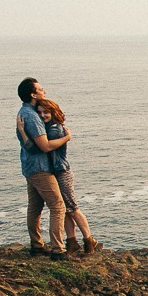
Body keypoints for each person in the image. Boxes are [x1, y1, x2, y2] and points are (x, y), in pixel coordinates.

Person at [33, 97, 100, 254]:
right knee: (65, 209)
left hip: (62, 172)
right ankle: (72, 242)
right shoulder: (49, 127)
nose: (43, 115)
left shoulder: (55, 130)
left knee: (73, 208)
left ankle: (89, 241)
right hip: (55, 172)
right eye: (40, 113)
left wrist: (24, 132)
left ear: (53, 112)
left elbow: (45, 147)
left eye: (46, 112)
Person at [15, 77, 70, 259]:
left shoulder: (25, 112)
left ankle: (37, 245)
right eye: (40, 89)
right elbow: (45, 146)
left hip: (29, 166)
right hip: (40, 168)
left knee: (35, 207)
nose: (44, 91)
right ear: (33, 94)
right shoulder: (32, 116)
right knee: (58, 206)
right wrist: (66, 138)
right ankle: (58, 250)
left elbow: (29, 144)